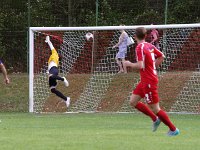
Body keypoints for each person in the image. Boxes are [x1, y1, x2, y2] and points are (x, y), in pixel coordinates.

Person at [124, 27, 179, 136]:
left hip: (149, 81)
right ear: (145, 36)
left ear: (135, 37)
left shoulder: (139, 47)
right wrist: (153, 68)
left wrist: (129, 64)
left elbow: (140, 65)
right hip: (146, 79)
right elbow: (161, 56)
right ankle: (155, 119)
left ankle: (173, 129)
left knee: (156, 108)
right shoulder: (149, 45)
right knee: (133, 101)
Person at [45, 36, 70, 108]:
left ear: (58, 57)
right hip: (53, 70)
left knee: (51, 76)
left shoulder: (55, 54)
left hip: (54, 69)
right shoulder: (56, 58)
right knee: (52, 89)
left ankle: (63, 79)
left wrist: (48, 40)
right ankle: (66, 99)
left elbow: (51, 46)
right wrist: (48, 40)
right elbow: (51, 46)